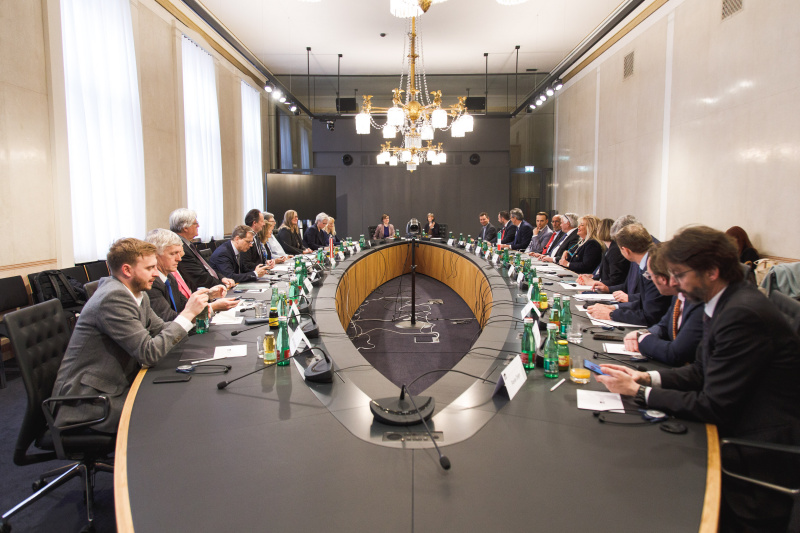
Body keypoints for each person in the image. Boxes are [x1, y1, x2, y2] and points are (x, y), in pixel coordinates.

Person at [595, 225, 800, 531]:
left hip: (753, 457)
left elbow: (714, 404)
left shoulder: (741, 313)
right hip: (736, 428)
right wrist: (645, 378)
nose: (673, 283)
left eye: (679, 274)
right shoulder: (724, 301)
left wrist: (638, 393)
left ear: (713, 271)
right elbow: (702, 370)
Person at [51, 238, 208, 434]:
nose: (155, 273)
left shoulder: (135, 292)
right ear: (127, 270)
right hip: (88, 402)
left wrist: (194, 316)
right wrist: (187, 315)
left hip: (117, 384)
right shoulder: (112, 298)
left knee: (182, 401)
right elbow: (149, 353)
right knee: (174, 416)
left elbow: (160, 329)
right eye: (150, 268)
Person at [621, 243, 703, 366]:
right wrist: (642, 333)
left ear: (662, 279)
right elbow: (663, 326)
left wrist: (643, 340)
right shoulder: (677, 297)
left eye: (649, 276)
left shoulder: (697, 302)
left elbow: (677, 354)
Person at [144, 229, 238, 322]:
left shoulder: (170, 277)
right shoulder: (151, 283)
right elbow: (169, 320)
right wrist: (212, 308)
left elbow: (185, 305)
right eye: (173, 254)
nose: (179, 259)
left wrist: (208, 295)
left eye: (179, 253)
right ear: (155, 255)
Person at [587, 224, 671, 326]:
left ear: (626, 251)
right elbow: (645, 301)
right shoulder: (642, 262)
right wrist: (615, 307)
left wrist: (612, 314)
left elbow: (650, 315)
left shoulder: (653, 267)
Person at [170, 208, 235, 292]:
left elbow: (207, 267)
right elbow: (199, 277)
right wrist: (222, 285)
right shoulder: (180, 248)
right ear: (185, 227)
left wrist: (222, 278)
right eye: (195, 223)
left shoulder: (188, 244)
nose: (198, 226)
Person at [578, 216, 631, 287]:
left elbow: (615, 280)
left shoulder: (615, 250)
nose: (596, 231)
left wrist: (592, 282)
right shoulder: (609, 248)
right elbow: (604, 273)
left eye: (598, 229)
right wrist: (592, 277)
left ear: (603, 230)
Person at [208, 225, 272, 283]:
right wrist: (255, 274)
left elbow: (244, 269)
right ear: (237, 239)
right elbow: (230, 277)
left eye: (251, 242)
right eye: (248, 242)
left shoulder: (239, 250)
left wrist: (260, 270)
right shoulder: (223, 253)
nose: (251, 245)